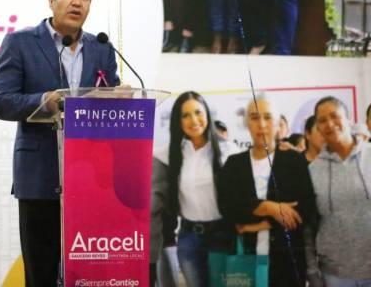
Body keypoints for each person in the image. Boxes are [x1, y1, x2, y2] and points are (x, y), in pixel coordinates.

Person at [0, 0, 119, 287]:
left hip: (90, 180)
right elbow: (2, 101)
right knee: (41, 275)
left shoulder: (102, 48)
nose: (77, 2)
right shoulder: (20, 43)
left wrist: (120, 99)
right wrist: (43, 101)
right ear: (51, 0)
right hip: (40, 177)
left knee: (89, 276)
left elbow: (110, 104)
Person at [218, 97, 315, 286]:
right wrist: (270, 207)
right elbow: (228, 208)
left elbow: (303, 210)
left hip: (287, 260)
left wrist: (252, 225)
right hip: (244, 260)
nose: (261, 124)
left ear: (278, 124)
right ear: (247, 123)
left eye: (268, 117)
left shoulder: (294, 161)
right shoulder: (234, 164)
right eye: (254, 117)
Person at [152, 91, 234, 286]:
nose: (194, 120)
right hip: (189, 238)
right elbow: (139, 152)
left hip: (222, 235)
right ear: (178, 121)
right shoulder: (171, 153)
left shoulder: (228, 151)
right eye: (185, 115)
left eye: (198, 112)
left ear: (207, 114)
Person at [306, 96, 371, 286]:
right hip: (336, 275)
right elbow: (308, 227)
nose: (329, 124)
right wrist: (312, 271)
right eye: (322, 120)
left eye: (335, 116)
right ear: (318, 128)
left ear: (349, 120)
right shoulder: (312, 171)